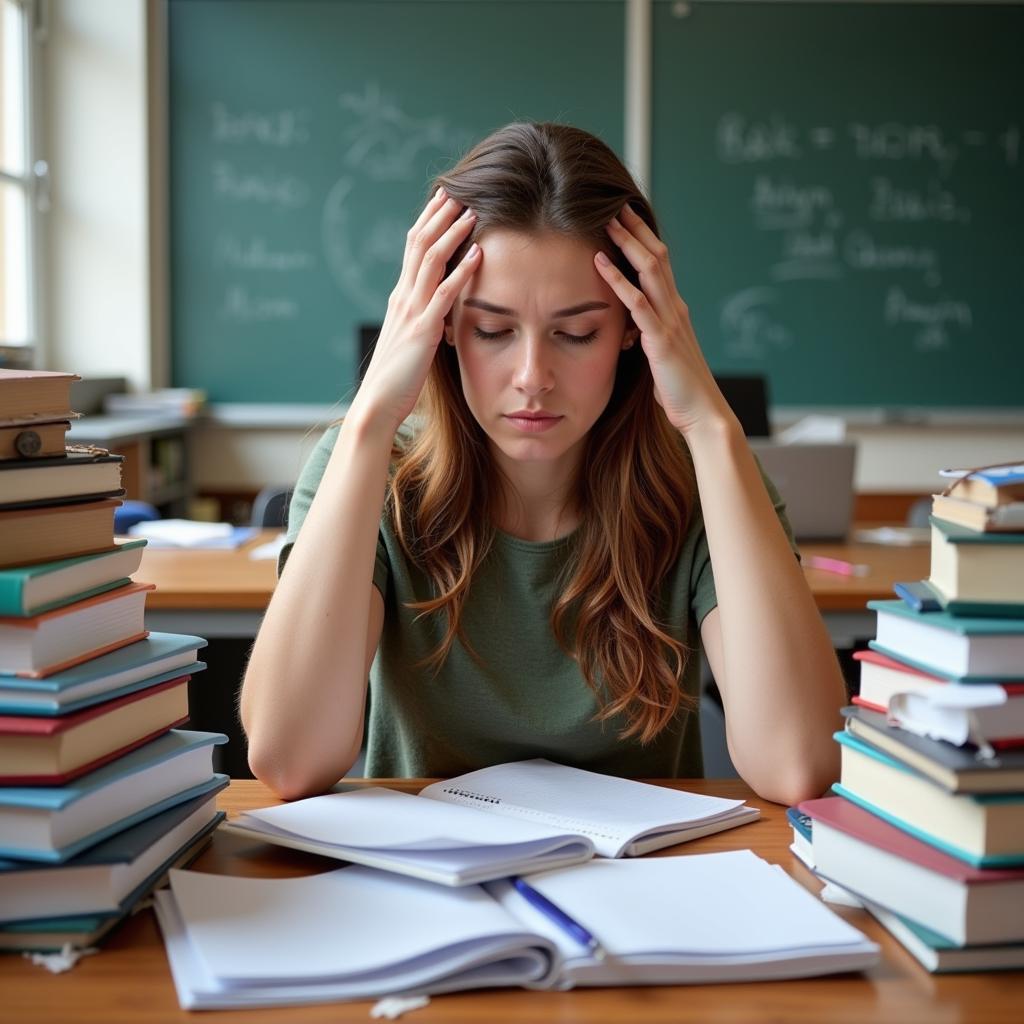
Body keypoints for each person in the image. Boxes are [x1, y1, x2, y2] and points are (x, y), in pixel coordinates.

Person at [240, 122, 847, 804]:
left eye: (576, 332)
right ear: (437, 326)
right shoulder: (368, 466)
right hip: (423, 897)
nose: (533, 376)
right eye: (492, 330)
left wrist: (711, 425)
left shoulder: (704, 480)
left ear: (633, 328)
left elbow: (799, 764)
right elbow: (289, 759)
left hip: (639, 893)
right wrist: (372, 416)